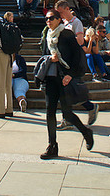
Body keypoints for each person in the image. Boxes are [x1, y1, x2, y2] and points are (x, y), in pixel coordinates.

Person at [39, 9, 94, 159]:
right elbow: (43, 55)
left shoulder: (67, 35)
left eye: (51, 18)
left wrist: (70, 75)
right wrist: (50, 59)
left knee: (67, 114)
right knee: (50, 112)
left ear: (59, 19)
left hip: (65, 79)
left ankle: (86, 132)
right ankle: (52, 146)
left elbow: (78, 57)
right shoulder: (47, 36)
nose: (48, 21)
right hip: (51, 78)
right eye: (46, 19)